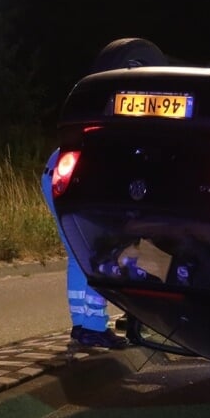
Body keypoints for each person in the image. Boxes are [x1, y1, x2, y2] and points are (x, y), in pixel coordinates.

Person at [40, 148, 123, 349]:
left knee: (77, 256)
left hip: (56, 172)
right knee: (102, 256)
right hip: (85, 181)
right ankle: (94, 327)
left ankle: (80, 325)